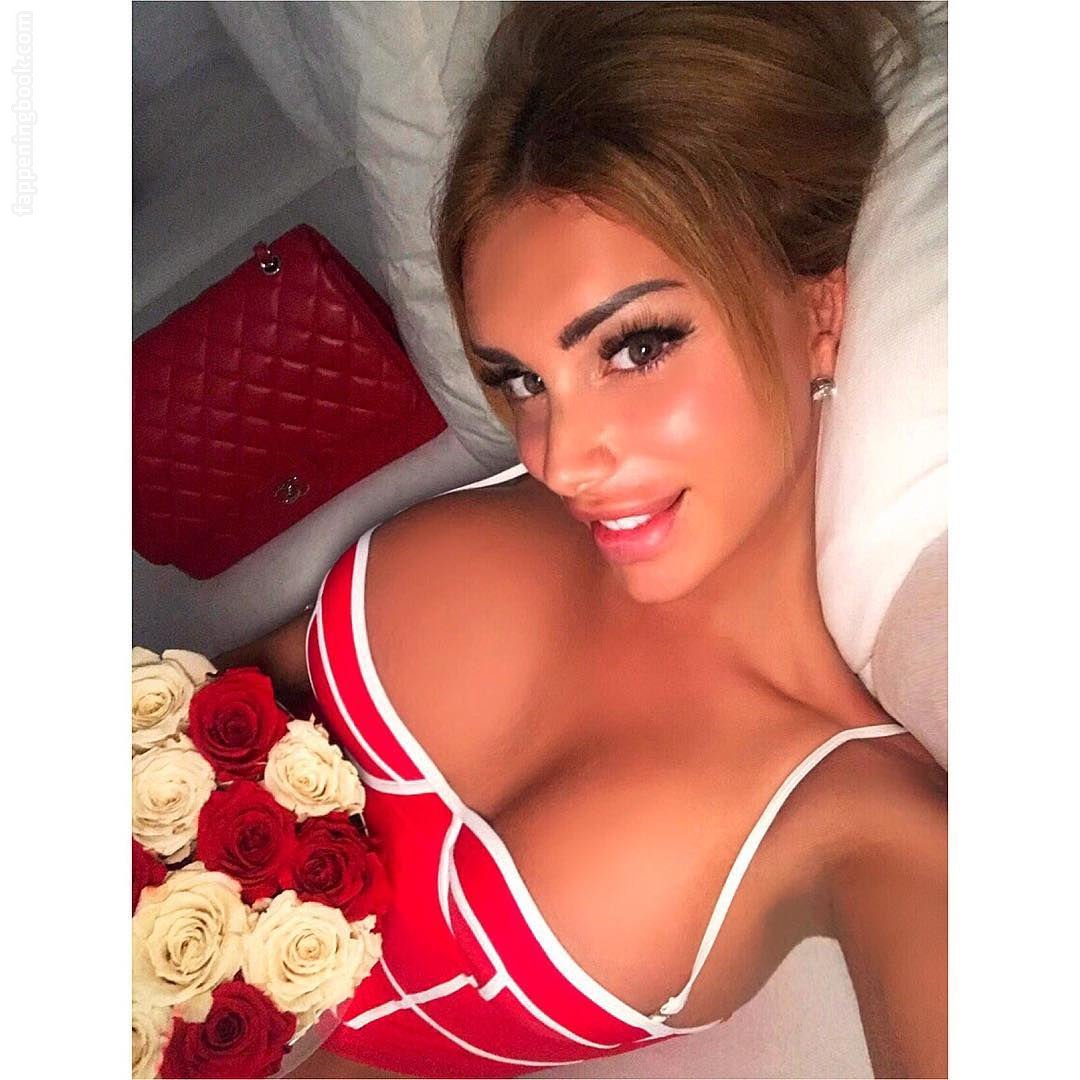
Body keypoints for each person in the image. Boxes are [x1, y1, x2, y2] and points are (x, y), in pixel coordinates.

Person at [216, 4, 946, 1077]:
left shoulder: (859, 822)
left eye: (635, 347)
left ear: (820, 313)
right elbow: (211, 715)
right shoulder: (514, 517)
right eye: (522, 379)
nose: (560, 461)